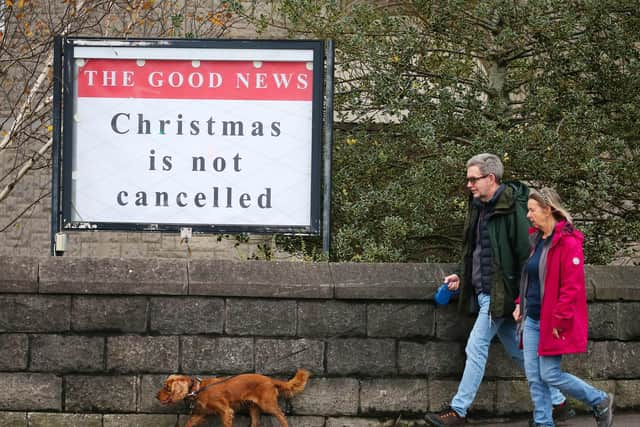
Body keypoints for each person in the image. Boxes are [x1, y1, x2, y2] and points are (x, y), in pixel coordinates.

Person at [424, 154, 573, 426]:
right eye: (467, 179)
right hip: (485, 293)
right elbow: (476, 251)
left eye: (473, 179)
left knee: (476, 346)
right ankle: (558, 402)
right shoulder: (478, 206)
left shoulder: (513, 210)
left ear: (490, 178)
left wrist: (521, 300)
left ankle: (458, 410)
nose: (468, 184)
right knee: (519, 353)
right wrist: (463, 275)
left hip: (501, 295)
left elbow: (527, 257)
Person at [513, 187, 614, 427]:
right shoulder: (538, 240)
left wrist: (559, 320)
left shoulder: (568, 243)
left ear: (548, 210)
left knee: (549, 374)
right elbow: (532, 278)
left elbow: (572, 287)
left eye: (532, 210)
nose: (528, 215)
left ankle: (599, 400)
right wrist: (519, 303)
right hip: (532, 318)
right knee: (534, 377)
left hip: (551, 320)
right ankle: (543, 422)